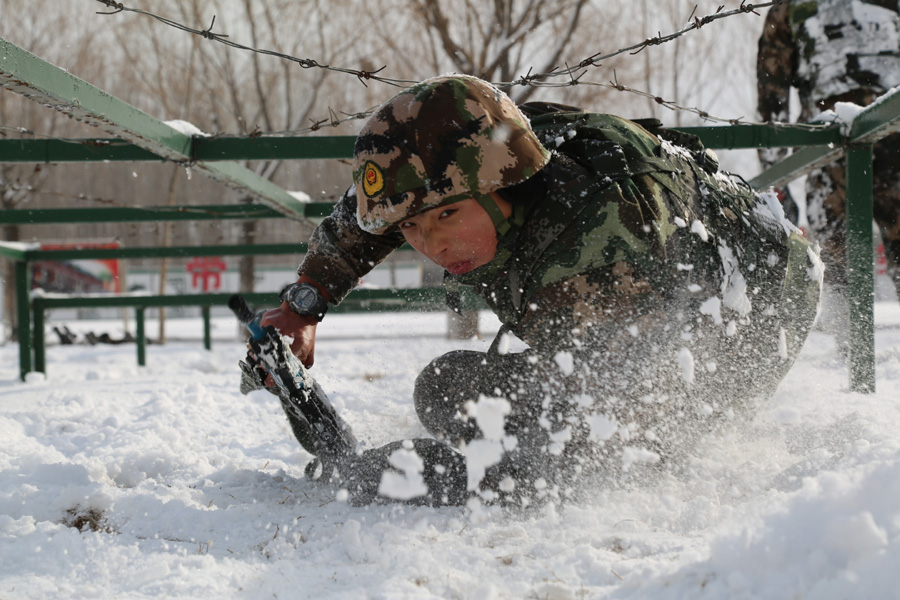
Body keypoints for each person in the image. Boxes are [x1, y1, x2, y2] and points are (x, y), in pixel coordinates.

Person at [247, 75, 822, 509]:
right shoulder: (472, 155)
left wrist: (433, 475)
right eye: (414, 230)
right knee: (446, 389)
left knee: (642, 446)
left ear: (502, 184)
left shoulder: (603, 233)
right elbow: (365, 217)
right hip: (621, 291)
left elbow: (606, 433)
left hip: (756, 302)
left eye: (447, 216)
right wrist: (304, 304)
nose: (432, 244)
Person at [757, 0, 900, 345]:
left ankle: (851, 361)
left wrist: (774, 175)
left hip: (831, 139)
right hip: (888, 126)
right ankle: (853, 369)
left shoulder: (789, 7)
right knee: (838, 261)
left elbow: (772, 93)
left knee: (837, 262)